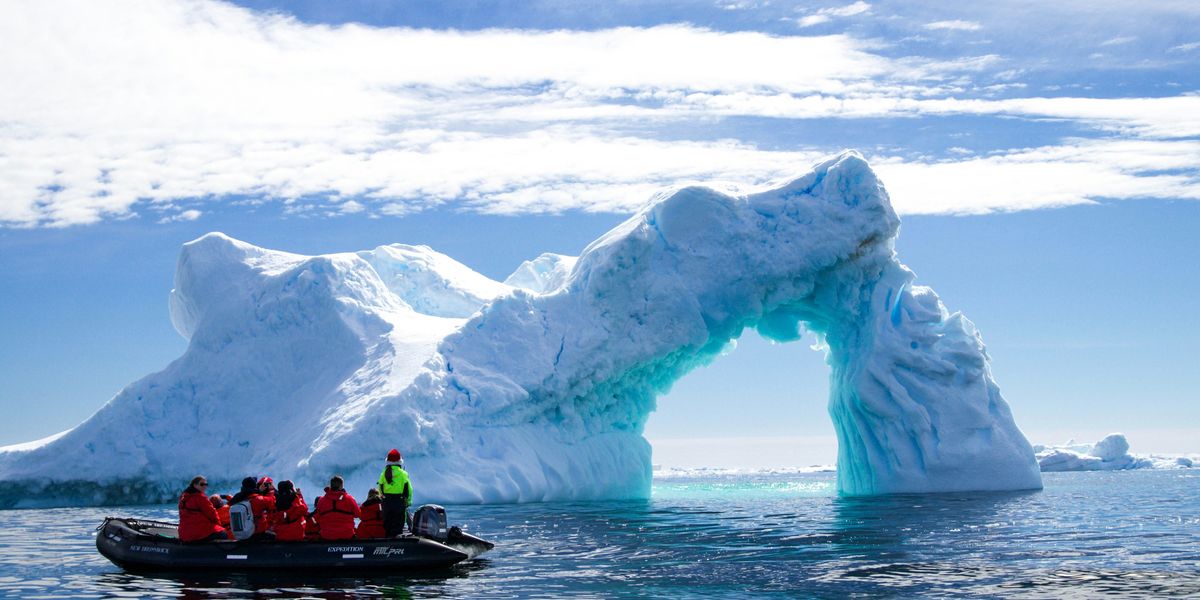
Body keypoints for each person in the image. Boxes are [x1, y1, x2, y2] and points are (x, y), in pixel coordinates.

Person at [177, 476, 225, 542]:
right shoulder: (200, 497)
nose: (204, 486)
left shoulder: (183, 498)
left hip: (184, 533)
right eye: (202, 484)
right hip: (198, 533)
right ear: (195, 485)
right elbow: (212, 514)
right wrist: (219, 525)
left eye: (206, 484)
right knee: (223, 534)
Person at [377, 448, 412, 537]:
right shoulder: (403, 474)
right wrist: (408, 502)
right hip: (399, 502)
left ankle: (386, 545)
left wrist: (382, 499)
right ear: (400, 461)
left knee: (388, 526)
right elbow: (409, 489)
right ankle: (398, 547)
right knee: (398, 526)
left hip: (386, 503)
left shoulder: (383, 473)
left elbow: (380, 488)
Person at [315, 475, 361, 540]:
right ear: (341, 486)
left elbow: (317, 517)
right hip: (347, 535)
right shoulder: (349, 499)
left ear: (331, 486)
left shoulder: (321, 501)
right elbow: (358, 514)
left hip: (327, 535)